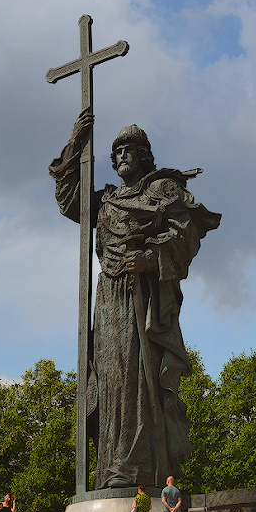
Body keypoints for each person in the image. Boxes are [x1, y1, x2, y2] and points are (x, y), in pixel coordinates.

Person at [51, 110, 220, 489]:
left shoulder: (160, 192)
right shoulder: (107, 201)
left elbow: (186, 234)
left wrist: (151, 258)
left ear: (145, 155)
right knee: (110, 379)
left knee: (135, 378)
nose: (121, 157)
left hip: (141, 296)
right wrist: (75, 145)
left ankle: (137, 469)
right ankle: (110, 465)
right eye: (116, 152)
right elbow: (68, 202)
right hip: (108, 298)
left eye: (129, 150)